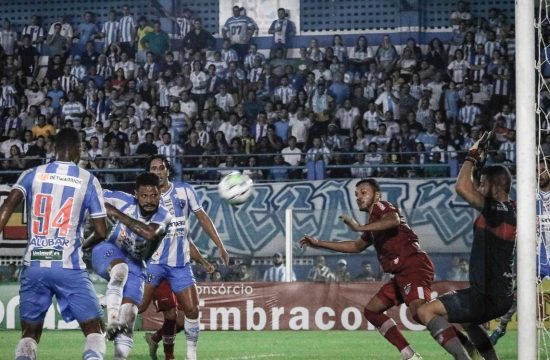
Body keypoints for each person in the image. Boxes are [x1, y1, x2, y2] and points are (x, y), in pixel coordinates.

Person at [0, 127, 108, 359]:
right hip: (68, 266)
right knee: (95, 330)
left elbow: (7, 207)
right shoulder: (88, 180)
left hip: (35, 264)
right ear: (79, 149)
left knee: (29, 334)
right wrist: (82, 245)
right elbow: (101, 231)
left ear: (54, 148)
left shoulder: (32, 173)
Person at [300, 178, 435, 360]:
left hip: (413, 266)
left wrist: (359, 226)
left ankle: (463, 335)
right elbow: (355, 246)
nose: (359, 197)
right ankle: (409, 355)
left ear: (376, 195)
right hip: (401, 274)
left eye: (364, 192)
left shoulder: (381, 207)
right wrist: (319, 244)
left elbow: (394, 220)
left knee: (421, 313)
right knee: (372, 310)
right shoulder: (373, 225)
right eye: (356, 194)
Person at [417, 132, 516, 360]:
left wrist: (471, 156)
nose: (478, 188)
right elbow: (472, 185)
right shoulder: (511, 208)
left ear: (495, 186)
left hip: (486, 295)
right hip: (501, 294)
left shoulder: (494, 211)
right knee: (466, 319)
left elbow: (461, 187)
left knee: (426, 311)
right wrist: (480, 165)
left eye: (482, 184)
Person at [139, 154, 230, 360]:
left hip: (180, 265)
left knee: (190, 312)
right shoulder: (146, 198)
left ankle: (188, 355)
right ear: (148, 173)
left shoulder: (185, 190)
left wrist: (219, 247)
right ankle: (112, 305)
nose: (158, 171)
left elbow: (191, 229)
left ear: (167, 170)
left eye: (161, 167)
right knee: (156, 311)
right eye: (153, 168)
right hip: (155, 264)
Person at [88, 173, 171, 358]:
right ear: (136, 194)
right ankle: (112, 321)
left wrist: (116, 213)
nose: (149, 200)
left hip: (137, 265)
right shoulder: (121, 199)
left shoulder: (164, 215)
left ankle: (108, 306)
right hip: (108, 250)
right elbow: (89, 194)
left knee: (130, 315)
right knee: (120, 270)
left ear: (160, 195)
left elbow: (150, 234)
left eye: (154, 195)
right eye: (144, 195)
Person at [489, 156, 550, 345]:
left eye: (542, 170)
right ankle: (501, 328)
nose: (539, 174)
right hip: (537, 258)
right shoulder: (529, 197)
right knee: (516, 296)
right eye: (536, 171)